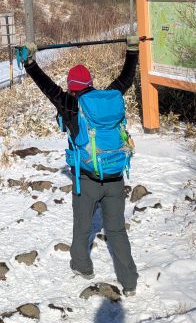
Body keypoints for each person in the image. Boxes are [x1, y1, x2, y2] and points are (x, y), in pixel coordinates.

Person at [19, 36, 140, 296]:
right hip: (116, 177)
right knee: (117, 229)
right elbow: (127, 77)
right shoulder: (113, 97)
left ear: (72, 87)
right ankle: (129, 281)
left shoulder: (71, 105)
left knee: (82, 225)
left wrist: (29, 63)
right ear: (91, 83)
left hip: (86, 179)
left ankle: (82, 266)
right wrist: (132, 49)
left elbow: (47, 87)